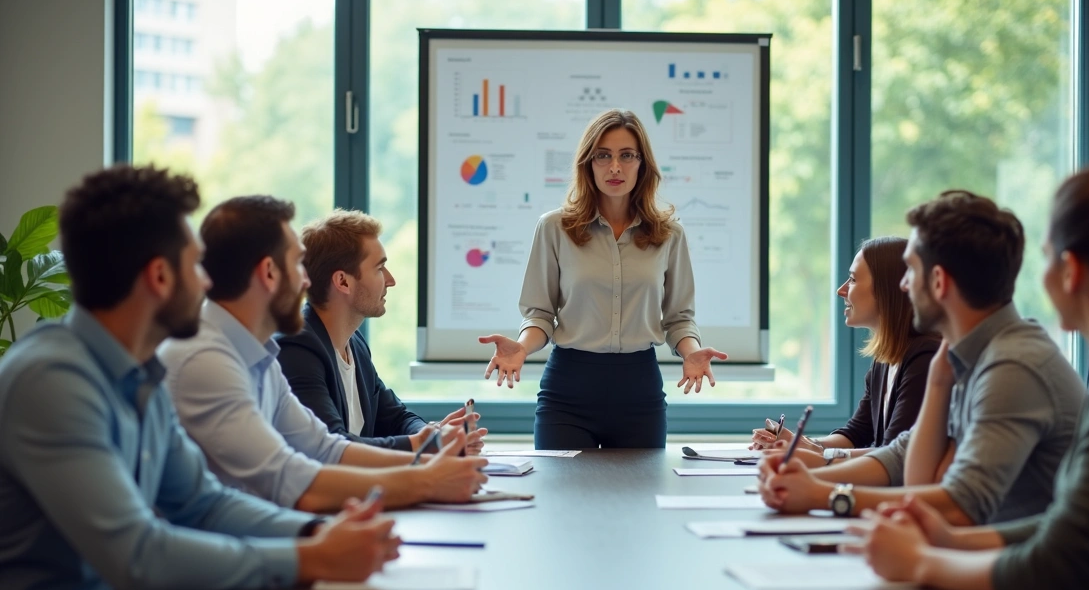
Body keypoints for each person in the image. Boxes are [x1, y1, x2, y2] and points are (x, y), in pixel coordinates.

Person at [0, 166, 400, 590]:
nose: (209, 283)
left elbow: (202, 503)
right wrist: (309, 557)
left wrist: (315, 534)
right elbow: (138, 555)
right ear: (160, 277)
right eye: (195, 265)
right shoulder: (52, 381)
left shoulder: (142, 374)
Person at [847, 170, 1089, 590]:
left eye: (1045, 259)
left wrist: (922, 562)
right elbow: (1066, 527)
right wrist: (951, 542)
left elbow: (1055, 569)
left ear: (1071, 271)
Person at [759, 190, 1084, 525]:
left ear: (939, 282)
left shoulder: (1013, 366)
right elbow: (904, 460)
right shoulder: (967, 356)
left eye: (910, 270)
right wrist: (804, 480)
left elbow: (960, 504)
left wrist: (822, 494)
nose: (902, 286)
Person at [159, 196, 487, 513]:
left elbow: (324, 448)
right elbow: (294, 479)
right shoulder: (207, 359)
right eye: (295, 265)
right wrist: (426, 477)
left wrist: (430, 457)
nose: (305, 280)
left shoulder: (259, 355)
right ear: (269, 272)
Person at [478, 109, 727, 449]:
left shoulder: (669, 235)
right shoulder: (554, 228)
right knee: (561, 500)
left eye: (627, 156)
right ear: (587, 164)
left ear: (642, 164)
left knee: (638, 500)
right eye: (603, 156)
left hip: (639, 391)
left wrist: (692, 352)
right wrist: (522, 347)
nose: (614, 167)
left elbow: (679, 318)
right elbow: (540, 314)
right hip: (568, 390)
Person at [277, 209, 488, 454]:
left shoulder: (354, 343)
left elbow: (394, 416)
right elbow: (333, 445)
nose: (390, 280)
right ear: (343, 281)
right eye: (379, 268)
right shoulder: (297, 348)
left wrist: (433, 433)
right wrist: (427, 445)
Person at [750, 236, 939, 464]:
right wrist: (802, 443)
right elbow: (857, 433)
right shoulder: (886, 358)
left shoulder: (924, 359)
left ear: (886, 289)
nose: (841, 291)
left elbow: (893, 455)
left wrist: (817, 455)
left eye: (852, 280)